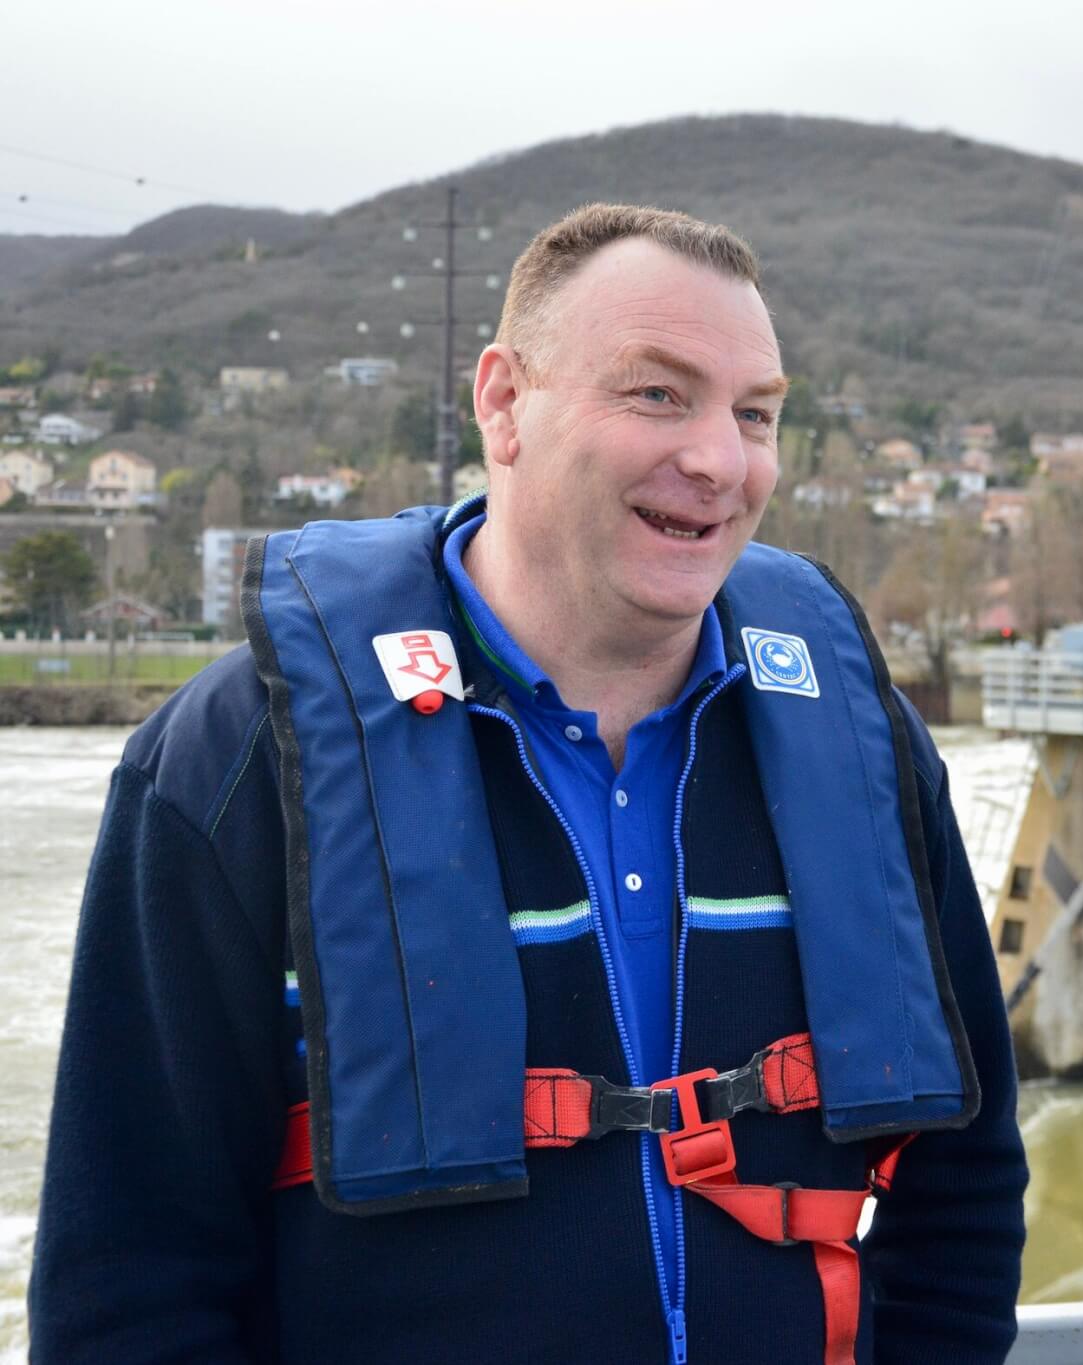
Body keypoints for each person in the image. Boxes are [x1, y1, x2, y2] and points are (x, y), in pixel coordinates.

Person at [30, 203, 1028, 1364]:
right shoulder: (234, 761)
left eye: (754, 413)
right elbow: (129, 1280)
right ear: (502, 403)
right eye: (656, 393)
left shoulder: (862, 748)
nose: (717, 459)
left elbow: (960, 1187)